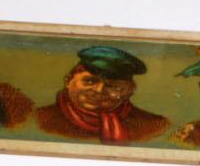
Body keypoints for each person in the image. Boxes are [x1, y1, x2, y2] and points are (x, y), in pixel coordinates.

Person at [35, 46, 170, 143]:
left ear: (130, 90)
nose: (99, 90)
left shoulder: (153, 126)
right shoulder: (40, 119)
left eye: (113, 86)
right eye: (89, 81)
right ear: (68, 80)